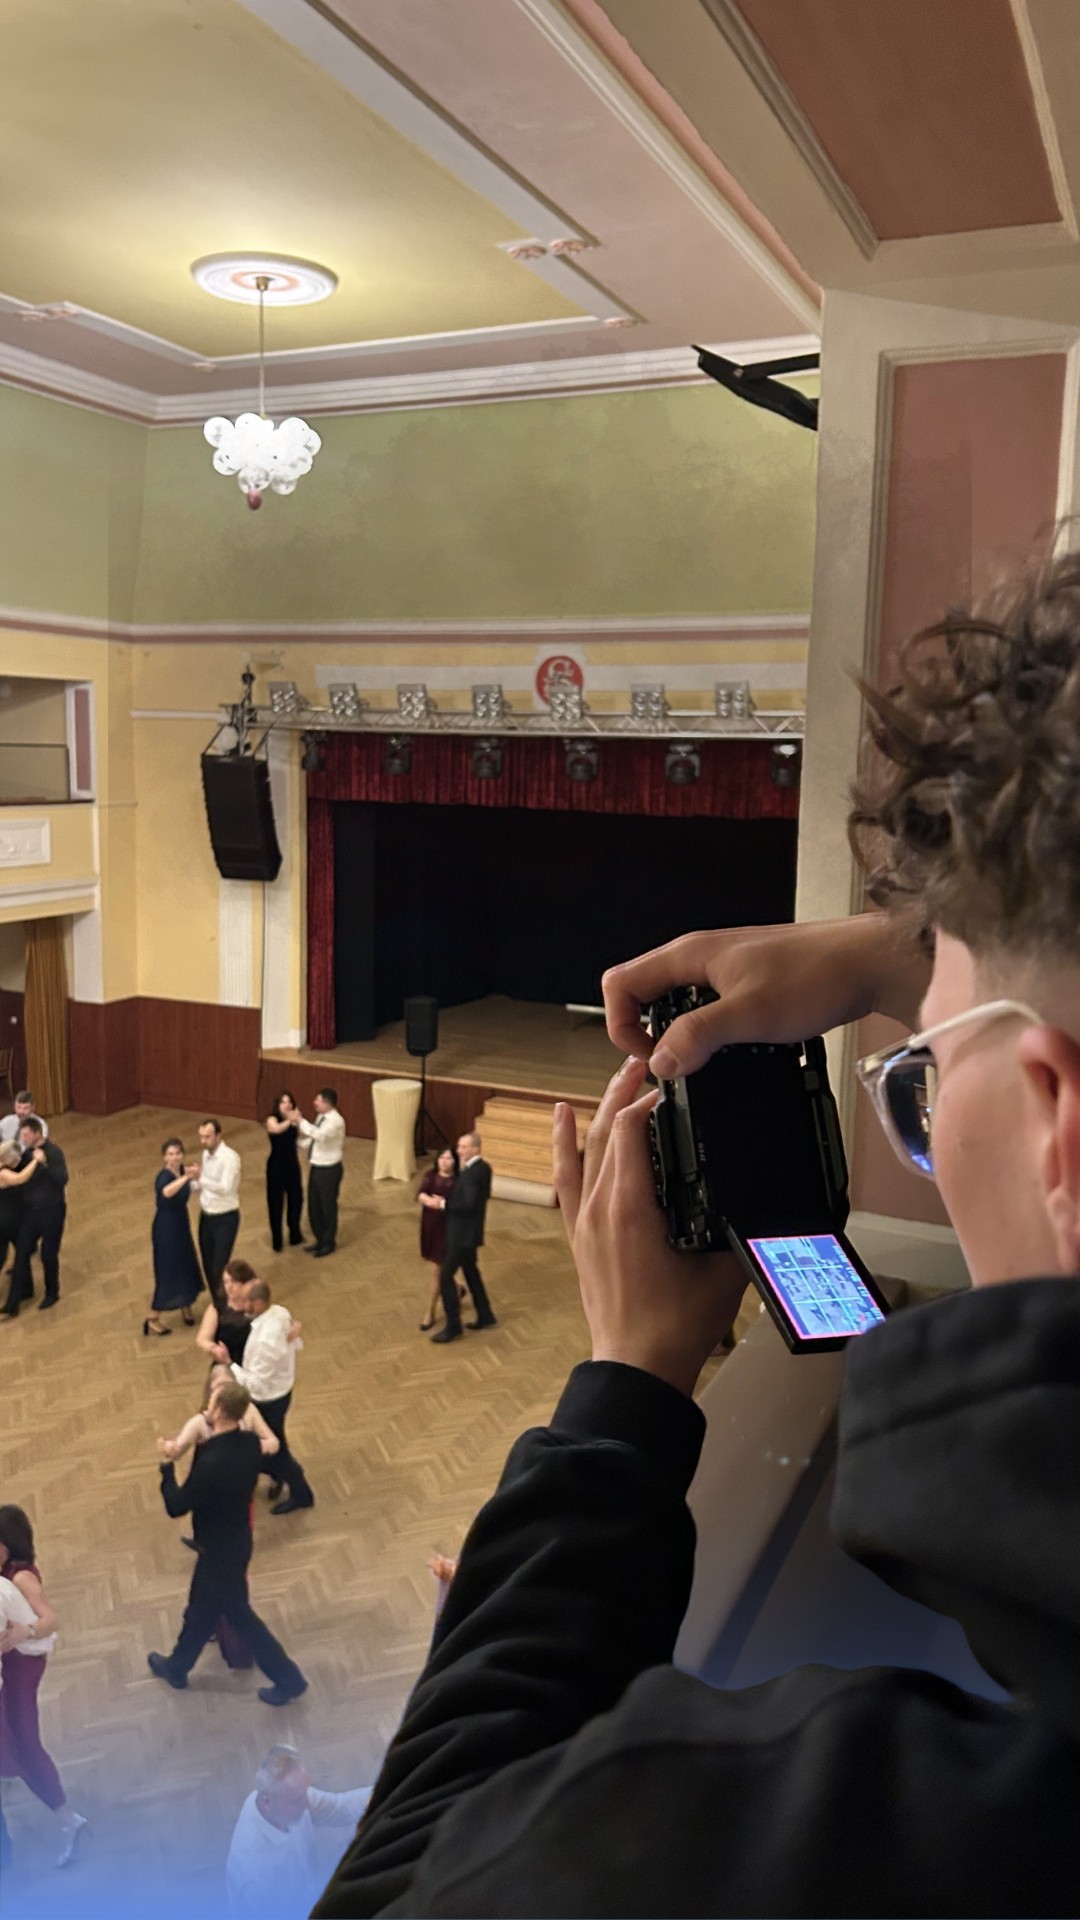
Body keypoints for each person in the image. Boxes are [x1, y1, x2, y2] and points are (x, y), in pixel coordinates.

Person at [313, 550, 1080, 1918]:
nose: (910, 1086)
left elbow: (410, 1881)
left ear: (1051, 1120)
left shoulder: (792, 1844)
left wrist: (623, 1397)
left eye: (922, 1070)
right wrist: (907, 957)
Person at [147, 1380, 307, 1706]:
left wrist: (166, 1466)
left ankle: (290, 1680)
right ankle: (177, 1667)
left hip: (219, 1552)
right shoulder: (250, 1444)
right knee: (201, 1608)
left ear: (218, 1411)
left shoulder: (211, 1462)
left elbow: (176, 1505)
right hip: (236, 1542)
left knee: (239, 1617)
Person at [0, 1506, 88, 1868]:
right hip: (14, 1660)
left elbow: (51, 1619)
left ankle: (69, 1818)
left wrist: (25, 1631)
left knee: (26, 1740)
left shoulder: (21, 1579)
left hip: (20, 1664)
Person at [226, 1745, 371, 1920]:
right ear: (267, 1802)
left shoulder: (287, 1799)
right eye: (298, 1800)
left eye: (305, 1793)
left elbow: (338, 1807)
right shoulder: (255, 1876)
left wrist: (385, 1791)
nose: (307, 1803)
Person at [227, 1279, 315, 1516]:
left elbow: (255, 1382)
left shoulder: (267, 1340)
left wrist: (229, 1364)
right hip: (280, 1390)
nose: (241, 1304)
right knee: (275, 1445)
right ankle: (289, 1483)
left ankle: (301, 1492)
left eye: (245, 1301)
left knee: (274, 1450)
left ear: (258, 1302)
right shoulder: (279, 1313)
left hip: (268, 1400)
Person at [430, 1130, 496, 1344]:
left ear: (475, 1149)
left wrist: (443, 1204)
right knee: (471, 1272)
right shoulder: (482, 1169)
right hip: (470, 1233)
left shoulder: (472, 1173)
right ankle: (485, 1314)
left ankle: (453, 1326)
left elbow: (468, 1204)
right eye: (459, 1147)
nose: (459, 1151)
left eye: (463, 1147)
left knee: (445, 1276)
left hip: (461, 1235)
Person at [3, 1119, 67, 1316]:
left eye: (26, 1134)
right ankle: (14, 1302)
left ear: (37, 1133)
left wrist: (45, 1163)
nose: (23, 1138)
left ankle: (52, 1292)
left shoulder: (54, 1152)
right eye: (22, 1135)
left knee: (48, 1254)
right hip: (31, 1213)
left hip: (52, 1212)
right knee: (21, 1253)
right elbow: (19, 1172)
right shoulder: (27, 1153)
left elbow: (63, 1179)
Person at [145, 1136, 203, 1337]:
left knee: (185, 1264)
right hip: (166, 1228)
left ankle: (185, 1304)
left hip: (180, 1224)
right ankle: (152, 1317)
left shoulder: (181, 1171)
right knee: (169, 1270)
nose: (175, 1157)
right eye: (171, 1154)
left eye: (178, 1153)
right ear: (164, 1157)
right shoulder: (164, 1176)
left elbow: (192, 1189)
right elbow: (167, 1192)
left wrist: (197, 1176)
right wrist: (187, 1177)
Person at [416, 1149, 466, 1332]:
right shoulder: (431, 1175)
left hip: (449, 1230)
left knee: (438, 1271)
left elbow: (461, 1205)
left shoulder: (459, 1182)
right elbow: (421, 1192)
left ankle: (429, 1312)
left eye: (448, 1158)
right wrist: (428, 1201)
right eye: (442, 1158)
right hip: (431, 1227)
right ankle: (458, 1287)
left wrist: (442, 1203)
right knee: (442, 1268)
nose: (444, 1161)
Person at [194, 1119, 241, 1302]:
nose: (203, 1141)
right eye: (201, 1137)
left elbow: (225, 1187)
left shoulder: (230, 1158)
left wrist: (201, 1179)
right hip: (206, 1216)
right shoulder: (206, 1155)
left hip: (225, 1218)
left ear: (218, 1136)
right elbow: (205, 1183)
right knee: (207, 1264)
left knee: (219, 1267)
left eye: (207, 1137)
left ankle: (226, 1307)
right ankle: (218, 1304)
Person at [295, 1090, 345, 1259]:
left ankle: (328, 1243)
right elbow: (313, 1139)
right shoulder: (320, 1118)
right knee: (314, 1205)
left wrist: (300, 1121)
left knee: (327, 1207)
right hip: (317, 1167)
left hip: (329, 1170)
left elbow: (320, 1136)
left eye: (318, 1099)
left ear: (327, 1103)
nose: (314, 1102)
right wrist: (297, 1143)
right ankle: (319, 1239)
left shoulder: (336, 1121)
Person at [265, 1093, 305, 1254]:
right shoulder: (272, 1118)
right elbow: (275, 1129)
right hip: (276, 1166)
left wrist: (299, 1121)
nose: (286, 1104)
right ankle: (277, 1239)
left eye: (289, 1102)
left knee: (296, 1199)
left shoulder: (295, 1119)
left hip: (292, 1165)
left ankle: (295, 1233)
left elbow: (301, 1135)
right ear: (277, 1105)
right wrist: (291, 1120)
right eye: (283, 1102)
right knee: (275, 1203)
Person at [0, 1141, 37, 1279]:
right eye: (15, 1157)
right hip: (7, 1219)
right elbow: (20, 1178)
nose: (18, 1160)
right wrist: (36, 1161)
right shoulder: (3, 1173)